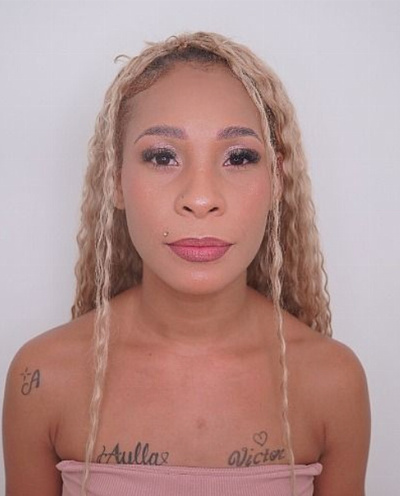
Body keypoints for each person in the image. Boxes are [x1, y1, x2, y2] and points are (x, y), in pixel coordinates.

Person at [2, 31, 370, 496]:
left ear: (277, 180)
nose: (200, 198)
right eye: (163, 156)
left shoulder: (332, 382)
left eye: (238, 157)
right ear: (115, 180)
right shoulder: (42, 378)